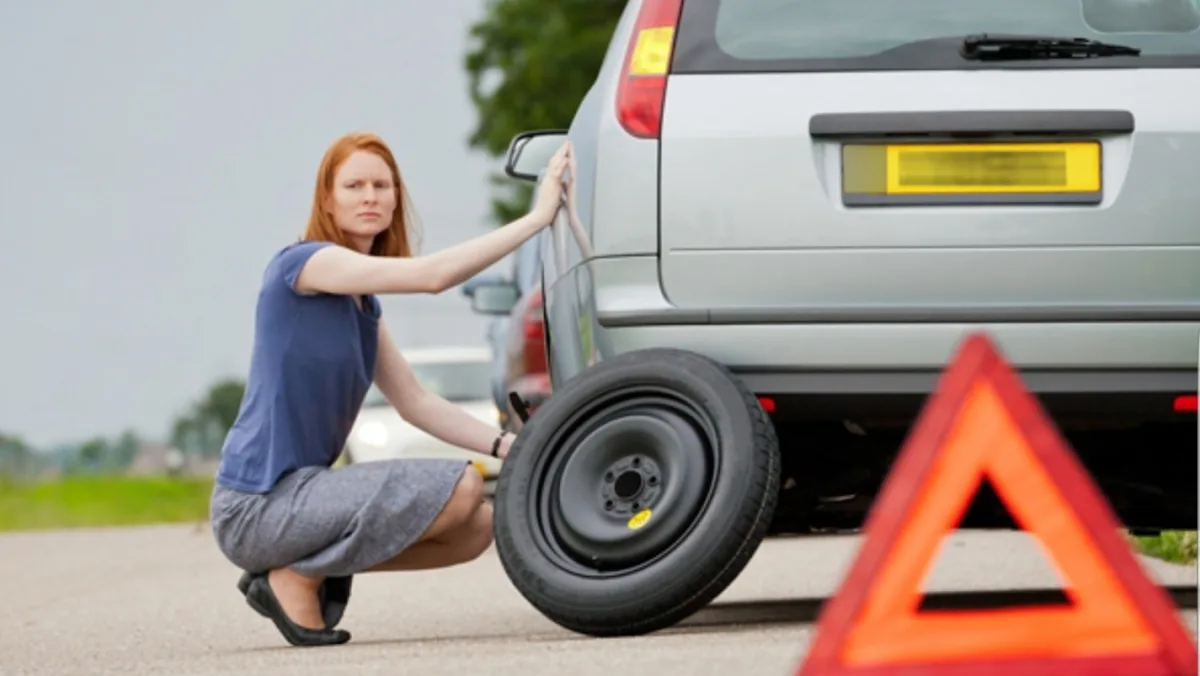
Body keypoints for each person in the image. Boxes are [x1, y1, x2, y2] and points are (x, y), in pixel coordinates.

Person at [208, 131, 571, 647]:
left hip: (303, 499)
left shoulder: (364, 307)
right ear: (328, 200)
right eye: (353, 185)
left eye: (382, 185)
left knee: (478, 527)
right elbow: (432, 276)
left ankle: (298, 569)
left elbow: (416, 404)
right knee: (462, 486)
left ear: (397, 197)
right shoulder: (304, 266)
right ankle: (297, 576)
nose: (370, 196)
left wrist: (512, 447)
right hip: (255, 505)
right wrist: (536, 220)